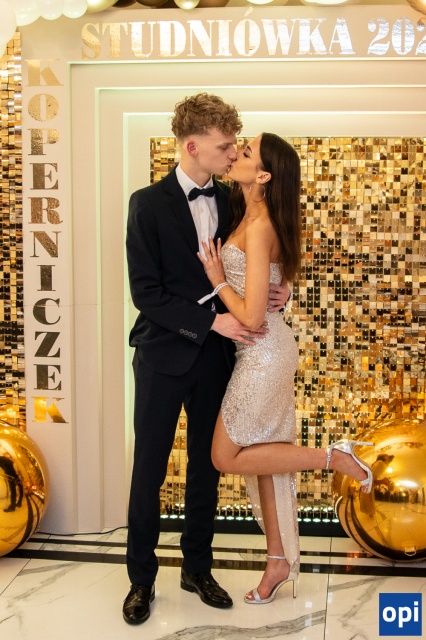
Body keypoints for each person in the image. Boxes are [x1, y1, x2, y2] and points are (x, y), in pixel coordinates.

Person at [124, 94, 291, 625]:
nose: (232, 153)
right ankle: (140, 579)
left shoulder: (235, 199)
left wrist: (283, 289)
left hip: (220, 359)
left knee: (207, 469)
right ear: (192, 146)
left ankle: (197, 568)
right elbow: (146, 293)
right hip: (162, 355)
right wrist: (210, 322)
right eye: (224, 146)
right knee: (148, 469)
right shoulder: (145, 204)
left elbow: (265, 249)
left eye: (236, 146)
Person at [198, 132, 374, 605]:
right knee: (265, 457)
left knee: (225, 456)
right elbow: (273, 276)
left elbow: (252, 315)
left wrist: (217, 280)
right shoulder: (246, 210)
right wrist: (286, 285)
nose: (236, 153)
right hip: (265, 349)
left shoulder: (258, 226)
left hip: (263, 353)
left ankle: (333, 458)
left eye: (246, 152)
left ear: (263, 175)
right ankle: (278, 560)